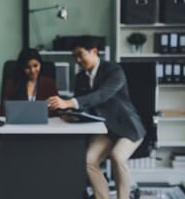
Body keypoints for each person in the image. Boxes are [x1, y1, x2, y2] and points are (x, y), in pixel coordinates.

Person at [48, 38, 146, 199]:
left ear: (94, 51)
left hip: (128, 127)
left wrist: (68, 102)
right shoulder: (81, 78)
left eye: (80, 55)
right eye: (74, 57)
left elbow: (102, 95)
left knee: (117, 156)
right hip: (107, 129)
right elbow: (80, 102)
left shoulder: (114, 70)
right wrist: (70, 112)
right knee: (89, 160)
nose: (77, 60)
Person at [0, 48, 58, 116]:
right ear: (22, 67)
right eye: (28, 67)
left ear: (40, 64)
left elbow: (57, 109)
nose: (32, 70)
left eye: (35, 66)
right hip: (19, 124)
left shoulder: (49, 83)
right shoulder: (12, 84)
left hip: (44, 124)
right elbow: (4, 112)